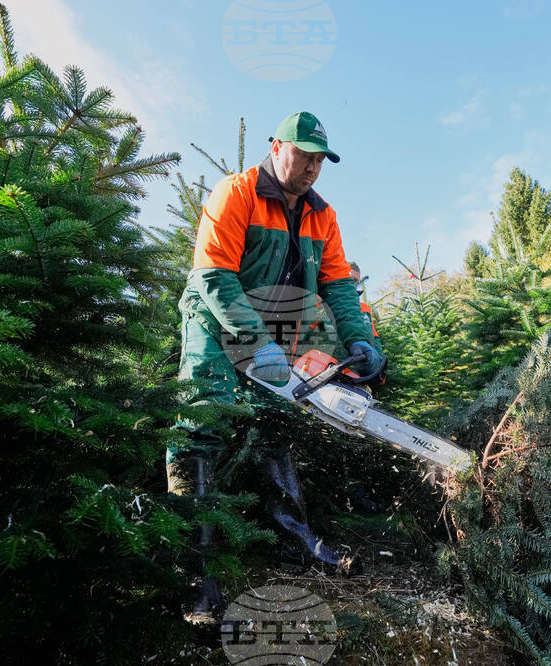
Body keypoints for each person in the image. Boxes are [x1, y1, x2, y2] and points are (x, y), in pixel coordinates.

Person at [168, 111, 386, 624]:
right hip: (215, 320)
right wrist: (252, 341)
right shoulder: (236, 192)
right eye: (303, 154)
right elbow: (214, 275)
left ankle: (295, 543)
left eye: (319, 159)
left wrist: (358, 338)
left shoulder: (321, 215)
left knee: (275, 424)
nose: (310, 167)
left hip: (275, 327)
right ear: (276, 146)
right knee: (204, 422)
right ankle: (195, 571)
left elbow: (337, 284)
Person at [349, 261, 382, 355]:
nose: (353, 283)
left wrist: (379, 356)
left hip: (363, 360)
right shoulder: (330, 304)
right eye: (350, 279)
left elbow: (373, 335)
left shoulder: (365, 308)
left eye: (356, 280)